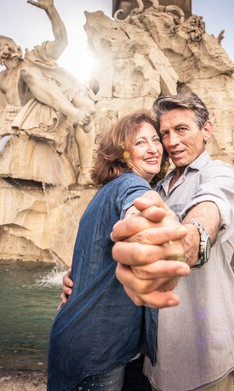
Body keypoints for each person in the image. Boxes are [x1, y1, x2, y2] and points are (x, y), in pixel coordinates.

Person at [62, 92, 234, 390]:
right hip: (153, 365)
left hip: (202, 361)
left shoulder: (220, 174)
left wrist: (188, 241)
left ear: (207, 130)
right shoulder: (155, 188)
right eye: (165, 133)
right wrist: (84, 279)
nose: (171, 141)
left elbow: (211, 207)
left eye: (182, 129)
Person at [48, 111, 178, 391]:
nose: (153, 148)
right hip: (97, 346)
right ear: (123, 153)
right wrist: (149, 222)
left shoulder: (108, 189)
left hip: (86, 336)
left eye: (155, 140)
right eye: (140, 142)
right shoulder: (132, 185)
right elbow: (138, 208)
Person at [0, 0, 96, 185]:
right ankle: (73, 112)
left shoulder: (35, 56)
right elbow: (2, 109)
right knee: (29, 72)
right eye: (2, 47)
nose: (7, 48)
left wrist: (51, 9)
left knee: (87, 107)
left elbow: (62, 40)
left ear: (17, 46)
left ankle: (85, 171)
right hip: (26, 116)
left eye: (9, 44)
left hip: (52, 106)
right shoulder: (0, 79)